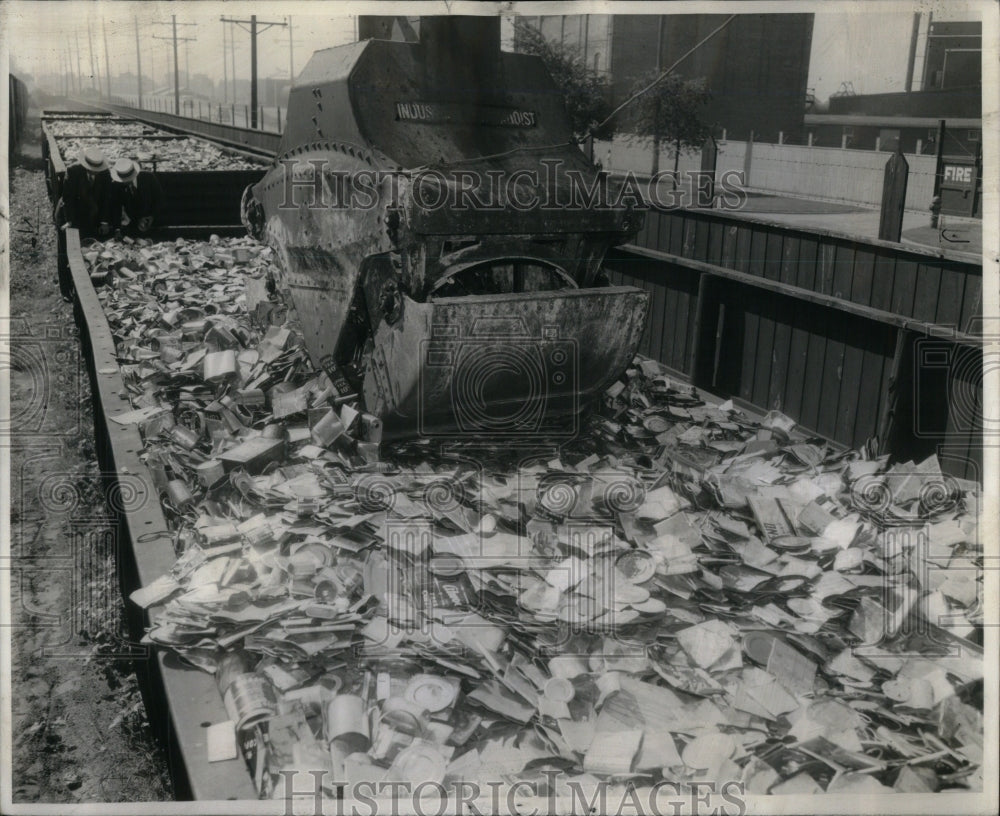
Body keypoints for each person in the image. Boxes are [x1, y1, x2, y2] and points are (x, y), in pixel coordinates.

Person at [54, 147, 114, 301]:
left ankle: (90, 286)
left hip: (89, 215)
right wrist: (70, 222)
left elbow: (107, 199)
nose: (94, 173)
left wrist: (104, 221)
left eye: (97, 170)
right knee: (66, 252)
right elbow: (68, 199)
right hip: (68, 215)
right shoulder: (73, 171)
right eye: (91, 170)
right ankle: (66, 290)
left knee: (90, 250)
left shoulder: (105, 174)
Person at [111, 158, 164, 236]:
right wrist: (117, 228)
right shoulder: (117, 184)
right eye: (122, 179)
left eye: (127, 179)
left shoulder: (149, 178)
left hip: (151, 220)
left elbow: (160, 200)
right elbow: (116, 207)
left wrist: (151, 217)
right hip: (132, 222)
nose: (124, 182)